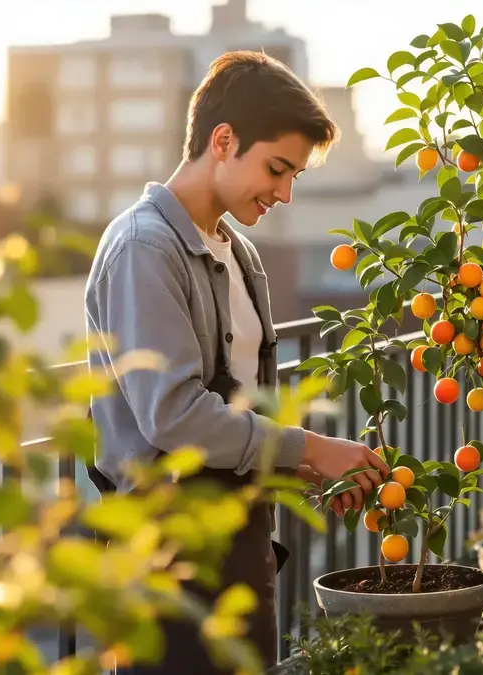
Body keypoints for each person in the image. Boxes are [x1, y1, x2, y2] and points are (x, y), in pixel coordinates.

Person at [84, 50, 387, 674]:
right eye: (277, 169)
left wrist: (305, 468)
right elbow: (173, 415)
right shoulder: (145, 247)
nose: (284, 192)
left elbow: (240, 404)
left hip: (239, 541)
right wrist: (308, 446)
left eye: (295, 175)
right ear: (222, 140)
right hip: (166, 560)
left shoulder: (238, 252)